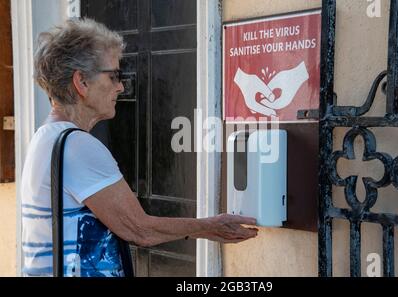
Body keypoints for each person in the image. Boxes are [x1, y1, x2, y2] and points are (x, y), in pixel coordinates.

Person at [21, 18, 258, 277]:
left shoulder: (47, 137)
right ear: (82, 82)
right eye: (114, 76)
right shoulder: (78, 146)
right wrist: (210, 226)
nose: (121, 86)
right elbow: (139, 229)